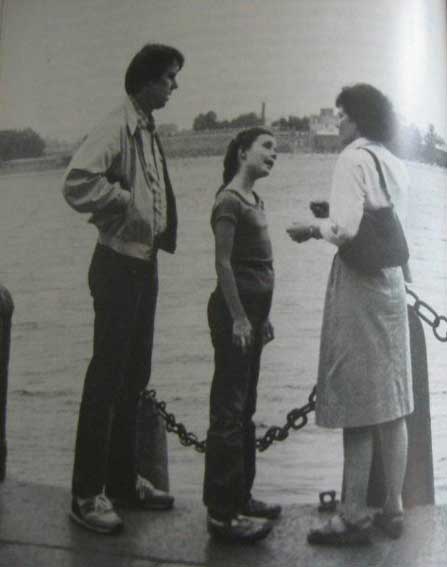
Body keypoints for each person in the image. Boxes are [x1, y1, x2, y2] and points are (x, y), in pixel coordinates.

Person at [62, 43, 184, 534]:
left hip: (143, 265)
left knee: (134, 378)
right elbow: (76, 183)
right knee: (106, 381)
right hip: (117, 265)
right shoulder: (117, 124)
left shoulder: (147, 127)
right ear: (147, 80)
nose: (174, 86)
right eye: (169, 77)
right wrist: (123, 201)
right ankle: (86, 495)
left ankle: (122, 482)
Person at [287, 84, 413, 545]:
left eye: (342, 115)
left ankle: (352, 515)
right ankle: (394, 507)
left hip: (359, 284)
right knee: (392, 399)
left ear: (357, 118)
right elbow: (385, 220)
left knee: (357, 397)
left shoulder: (350, 159)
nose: (337, 122)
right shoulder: (393, 161)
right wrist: (336, 214)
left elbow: (344, 230)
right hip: (391, 283)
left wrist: (312, 228)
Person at [203, 128, 282, 543]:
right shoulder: (229, 200)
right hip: (234, 318)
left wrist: (260, 317)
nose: (273, 154)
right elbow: (224, 265)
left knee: (245, 409)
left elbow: (257, 264)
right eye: (266, 147)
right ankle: (222, 513)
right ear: (241, 152)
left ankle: (242, 496)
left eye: (276, 149)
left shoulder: (255, 199)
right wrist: (237, 318)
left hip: (252, 318)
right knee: (229, 412)